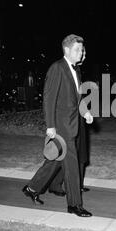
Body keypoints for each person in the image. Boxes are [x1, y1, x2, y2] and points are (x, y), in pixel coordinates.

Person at [22, 34, 94, 217]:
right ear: (67, 50)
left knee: (55, 160)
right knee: (72, 165)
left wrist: (85, 112)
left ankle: (32, 188)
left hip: (73, 123)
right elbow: (49, 98)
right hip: (61, 126)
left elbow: (77, 98)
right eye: (78, 50)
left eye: (82, 49)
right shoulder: (57, 68)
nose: (81, 52)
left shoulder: (76, 70)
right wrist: (50, 125)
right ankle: (74, 205)